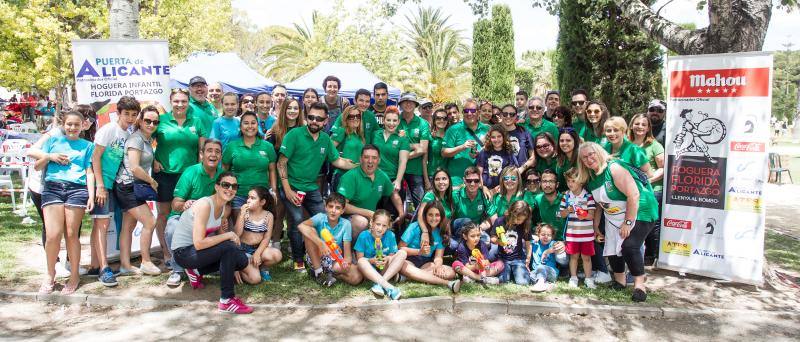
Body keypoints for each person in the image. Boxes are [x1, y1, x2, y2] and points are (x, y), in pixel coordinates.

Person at [576, 142, 659, 302]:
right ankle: (620, 281)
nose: (588, 159)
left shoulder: (614, 168)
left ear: (599, 152)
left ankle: (639, 286)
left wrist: (627, 223)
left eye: (591, 154)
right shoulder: (591, 176)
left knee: (629, 246)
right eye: (584, 157)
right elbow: (599, 204)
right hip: (613, 214)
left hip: (640, 209)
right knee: (612, 247)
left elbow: (633, 194)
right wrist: (596, 226)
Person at [278, 102, 356, 270]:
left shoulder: (325, 139)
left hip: (311, 187)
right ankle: (298, 258)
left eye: (319, 119)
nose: (314, 121)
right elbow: (281, 163)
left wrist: (359, 166)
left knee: (324, 218)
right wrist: (287, 190)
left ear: (325, 121)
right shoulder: (294, 135)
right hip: (291, 185)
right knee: (297, 219)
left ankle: (321, 254)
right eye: (311, 117)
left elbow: (337, 160)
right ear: (307, 117)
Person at [170, 172, 260, 314]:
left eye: (234, 186)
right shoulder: (205, 205)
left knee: (240, 258)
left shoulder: (223, 207)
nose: (230, 189)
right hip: (183, 253)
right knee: (230, 248)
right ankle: (226, 300)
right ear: (217, 187)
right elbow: (199, 243)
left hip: (195, 252)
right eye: (226, 185)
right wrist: (228, 236)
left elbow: (219, 240)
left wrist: (232, 249)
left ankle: (196, 271)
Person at [36, 111, 95, 295]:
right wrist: (49, 157)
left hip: (77, 190)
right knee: (53, 235)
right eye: (69, 124)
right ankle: (50, 274)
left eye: (76, 124)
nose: (72, 127)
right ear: (63, 124)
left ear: (83, 125)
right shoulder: (53, 141)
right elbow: (37, 166)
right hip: (52, 188)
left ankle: (74, 275)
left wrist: (91, 195)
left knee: (71, 234)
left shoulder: (88, 146)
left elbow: (89, 172)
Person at [153, 89, 209, 272]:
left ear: (188, 102)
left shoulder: (196, 121)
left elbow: (202, 150)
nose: (180, 104)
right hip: (165, 175)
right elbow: (145, 140)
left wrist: (201, 170)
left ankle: (188, 253)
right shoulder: (161, 120)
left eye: (184, 101)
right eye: (176, 101)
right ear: (170, 102)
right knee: (164, 214)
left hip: (189, 176)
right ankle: (167, 253)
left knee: (189, 214)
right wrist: (153, 160)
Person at [89, 96, 138, 285]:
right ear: (118, 113)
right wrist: (100, 186)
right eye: (127, 114)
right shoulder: (108, 129)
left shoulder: (128, 134)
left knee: (100, 225)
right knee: (101, 225)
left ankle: (95, 265)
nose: (130, 118)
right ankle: (104, 268)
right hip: (101, 183)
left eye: (134, 114)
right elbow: (95, 158)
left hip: (114, 184)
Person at [162, 139, 224, 285]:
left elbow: (226, 204)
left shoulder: (223, 176)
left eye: (217, 151)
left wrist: (222, 218)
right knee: (172, 228)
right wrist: (184, 204)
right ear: (202, 154)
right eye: (209, 150)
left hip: (206, 219)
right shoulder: (190, 172)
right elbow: (175, 204)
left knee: (217, 236)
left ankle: (198, 267)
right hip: (182, 217)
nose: (213, 154)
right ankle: (177, 269)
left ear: (221, 156)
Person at [115, 105, 161, 277]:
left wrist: (154, 162)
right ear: (140, 121)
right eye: (147, 120)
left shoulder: (146, 139)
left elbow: (143, 158)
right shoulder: (136, 139)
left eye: (155, 122)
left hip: (132, 186)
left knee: (128, 225)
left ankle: (125, 265)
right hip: (128, 186)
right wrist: (151, 181)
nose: (151, 124)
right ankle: (146, 262)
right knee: (150, 222)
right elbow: (134, 167)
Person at [337, 145, 404, 239]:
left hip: (371, 217)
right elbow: (341, 205)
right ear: (360, 159)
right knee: (361, 222)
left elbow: (393, 193)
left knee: (384, 225)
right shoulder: (350, 177)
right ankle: (352, 247)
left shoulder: (381, 175)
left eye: (374, 158)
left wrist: (401, 213)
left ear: (379, 160)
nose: (370, 161)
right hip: (349, 219)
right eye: (366, 157)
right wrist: (368, 213)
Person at [298, 192, 363, 287]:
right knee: (310, 230)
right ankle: (318, 272)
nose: (333, 210)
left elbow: (347, 255)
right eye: (331, 206)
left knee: (357, 277)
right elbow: (301, 226)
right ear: (326, 207)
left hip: (334, 260)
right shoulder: (320, 217)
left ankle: (333, 275)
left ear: (342, 211)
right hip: (317, 256)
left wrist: (346, 262)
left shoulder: (346, 224)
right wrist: (321, 243)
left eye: (338, 208)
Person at [222, 111, 278, 218]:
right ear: (240, 126)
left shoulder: (267, 146)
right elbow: (225, 170)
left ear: (257, 125)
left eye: (253, 123)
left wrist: (273, 190)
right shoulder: (232, 146)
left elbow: (272, 170)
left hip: (261, 197)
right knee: (239, 227)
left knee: (260, 227)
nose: (250, 126)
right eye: (246, 123)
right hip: (238, 195)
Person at [267, 97, 305, 250]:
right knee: (279, 210)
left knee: (294, 212)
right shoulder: (275, 130)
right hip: (279, 175)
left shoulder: (304, 130)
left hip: (297, 177)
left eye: (296, 108)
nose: (292, 111)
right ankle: (275, 241)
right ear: (284, 110)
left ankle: (293, 241)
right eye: (289, 108)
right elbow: (270, 156)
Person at [399, 201, 461, 293]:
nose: (434, 218)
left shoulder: (440, 232)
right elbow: (400, 249)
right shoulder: (414, 227)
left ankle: (409, 277)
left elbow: (438, 257)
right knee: (403, 265)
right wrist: (419, 251)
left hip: (425, 263)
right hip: (409, 260)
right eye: (430, 215)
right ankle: (431, 279)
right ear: (425, 215)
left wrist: (438, 266)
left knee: (451, 272)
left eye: (437, 215)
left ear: (441, 216)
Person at [628, 113, 665, 265]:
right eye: (637, 124)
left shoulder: (654, 145)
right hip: (630, 191)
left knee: (651, 224)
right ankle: (636, 256)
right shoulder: (626, 144)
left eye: (644, 124)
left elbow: (662, 168)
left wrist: (647, 181)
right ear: (631, 126)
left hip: (652, 190)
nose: (640, 127)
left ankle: (654, 256)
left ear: (648, 127)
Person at [559, 168, 598, 289]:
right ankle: (573, 278)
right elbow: (561, 214)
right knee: (574, 257)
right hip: (572, 234)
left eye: (573, 181)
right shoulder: (566, 196)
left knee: (586, 257)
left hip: (587, 235)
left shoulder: (588, 196)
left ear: (581, 181)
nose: (570, 184)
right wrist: (568, 210)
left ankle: (588, 279)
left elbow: (592, 215)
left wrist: (584, 214)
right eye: (568, 181)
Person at [354, 210, 406, 300]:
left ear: (388, 226)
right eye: (378, 224)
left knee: (402, 253)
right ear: (372, 223)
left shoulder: (390, 235)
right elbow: (359, 259)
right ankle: (390, 288)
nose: (380, 228)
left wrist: (387, 259)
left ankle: (379, 284)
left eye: (384, 225)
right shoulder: (363, 236)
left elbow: (391, 256)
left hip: (384, 270)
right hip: (369, 271)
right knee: (361, 261)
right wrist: (372, 260)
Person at [234, 186, 282, 282]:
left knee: (277, 255)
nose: (248, 200)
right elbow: (236, 234)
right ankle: (239, 267)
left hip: (258, 248)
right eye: (248, 197)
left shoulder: (268, 215)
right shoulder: (244, 213)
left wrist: (257, 253)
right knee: (255, 279)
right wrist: (241, 215)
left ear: (262, 202)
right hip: (243, 250)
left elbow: (267, 238)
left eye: (252, 198)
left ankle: (261, 268)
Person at [442, 98, 489, 187]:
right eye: (466, 111)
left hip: (480, 181)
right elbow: (444, 152)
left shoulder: (487, 129)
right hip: (457, 181)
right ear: (462, 113)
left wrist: (481, 153)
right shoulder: (453, 129)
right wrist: (462, 147)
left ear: (478, 112)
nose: (469, 113)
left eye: (473, 111)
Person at [398, 93, 430, 207]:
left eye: (411, 102)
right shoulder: (395, 120)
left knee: (421, 205)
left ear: (416, 104)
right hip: (396, 170)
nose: (408, 104)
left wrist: (403, 157)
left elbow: (423, 149)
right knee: (397, 205)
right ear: (400, 104)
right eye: (405, 101)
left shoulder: (423, 123)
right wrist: (415, 146)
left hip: (415, 170)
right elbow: (392, 144)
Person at [489, 200, 532, 285]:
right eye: (518, 219)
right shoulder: (500, 221)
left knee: (523, 282)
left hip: (518, 258)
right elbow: (492, 238)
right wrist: (499, 241)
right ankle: (511, 272)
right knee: (503, 280)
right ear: (512, 213)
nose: (520, 222)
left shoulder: (524, 224)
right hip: (503, 258)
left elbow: (528, 243)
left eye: (523, 220)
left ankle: (516, 271)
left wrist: (528, 258)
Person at [373, 106, 410, 193]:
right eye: (388, 120)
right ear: (383, 120)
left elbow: (403, 161)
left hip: (392, 180)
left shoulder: (403, 139)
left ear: (398, 122)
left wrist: (398, 180)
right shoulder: (375, 134)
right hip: (375, 178)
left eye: (394, 120)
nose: (391, 123)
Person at [330, 106, 365, 191]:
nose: (355, 118)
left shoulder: (360, 135)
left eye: (358, 116)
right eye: (351, 116)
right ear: (346, 118)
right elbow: (328, 150)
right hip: (342, 176)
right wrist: (341, 160)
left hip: (357, 176)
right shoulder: (342, 131)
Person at [476, 125, 520, 193]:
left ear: (503, 137)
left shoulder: (508, 152)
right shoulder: (484, 152)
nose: (496, 140)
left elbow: (512, 173)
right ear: (489, 138)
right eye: (493, 137)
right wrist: (483, 187)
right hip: (485, 190)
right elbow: (478, 173)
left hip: (502, 190)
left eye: (499, 136)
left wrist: (501, 187)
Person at [499, 104, 535, 173]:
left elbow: (533, 157)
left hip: (521, 173)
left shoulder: (524, 132)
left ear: (516, 116)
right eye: (505, 114)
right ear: (501, 115)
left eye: (511, 114)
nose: (508, 116)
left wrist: (521, 169)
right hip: (502, 175)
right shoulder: (496, 132)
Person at [529, 223, 560, 292]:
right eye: (543, 235)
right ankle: (546, 284)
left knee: (541, 267)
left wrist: (546, 252)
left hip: (551, 271)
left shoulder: (552, 243)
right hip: (537, 271)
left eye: (549, 235)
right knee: (529, 275)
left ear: (552, 236)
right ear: (538, 235)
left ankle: (540, 284)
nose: (546, 237)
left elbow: (560, 246)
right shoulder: (535, 243)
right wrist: (533, 236)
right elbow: (524, 237)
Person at [424, 108, 450, 188]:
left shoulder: (451, 137)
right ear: (434, 120)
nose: (442, 120)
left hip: (447, 176)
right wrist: (426, 180)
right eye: (438, 118)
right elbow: (424, 160)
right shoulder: (429, 137)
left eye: (444, 118)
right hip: (432, 175)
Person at [555, 127, 581, 192]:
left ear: (575, 142)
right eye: (561, 141)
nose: (564, 143)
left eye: (568, 140)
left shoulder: (582, 158)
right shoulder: (560, 161)